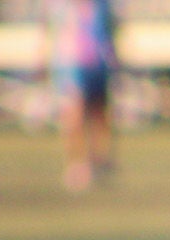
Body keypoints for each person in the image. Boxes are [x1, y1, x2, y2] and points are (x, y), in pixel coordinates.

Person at [50, 0, 116, 193]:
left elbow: (107, 29)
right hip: (72, 62)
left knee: (98, 112)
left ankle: (97, 160)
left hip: (97, 61)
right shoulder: (63, 6)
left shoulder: (101, 4)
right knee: (74, 114)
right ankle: (76, 163)